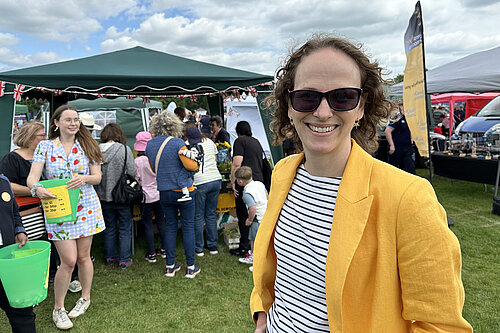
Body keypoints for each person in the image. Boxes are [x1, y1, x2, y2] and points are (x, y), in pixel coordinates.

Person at [250, 35, 472, 332]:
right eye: (307, 96)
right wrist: (262, 312)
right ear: (289, 105)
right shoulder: (283, 173)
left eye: (342, 96)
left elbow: (441, 326)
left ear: (361, 107)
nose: (323, 112)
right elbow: (278, 271)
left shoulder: (408, 197)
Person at [27, 104, 105, 330]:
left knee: (84, 257)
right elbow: (32, 178)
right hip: (58, 207)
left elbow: (97, 177)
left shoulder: (88, 145)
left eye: (76, 120)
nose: (73, 123)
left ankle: (85, 297)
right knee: (68, 261)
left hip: (86, 208)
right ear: (57, 123)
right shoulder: (46, 146)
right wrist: (37, 189)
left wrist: (84, 178)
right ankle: (58, 309)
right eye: (68, 119)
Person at [145, 112, 201, 278]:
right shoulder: (177, 143)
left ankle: (170, 266)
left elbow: (154, 168)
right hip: (183, 191)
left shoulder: (149, 145)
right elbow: (190, 166)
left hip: (164, 191)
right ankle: (190, 267)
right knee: (188, 226)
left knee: (170, 227)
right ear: (174, 125)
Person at [94, 123, 136, 270]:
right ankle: (124, 259)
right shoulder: (124, 149)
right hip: (122, 195)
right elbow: (132, 171)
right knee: (125, 227)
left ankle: (110, 257)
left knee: (109, 226)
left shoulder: (96, 151)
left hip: (103, 195)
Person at [0, 175, 36, 333]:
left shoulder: (3, 181)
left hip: (8, 256)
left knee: (21, 308)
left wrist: (18, 230)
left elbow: (14, 212)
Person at [229, 121, 266, 257]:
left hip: (244, 181)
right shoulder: (256, 141)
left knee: (244, 215)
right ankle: (257, 246)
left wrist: (233, 181)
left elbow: (236, 163)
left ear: (238, 131)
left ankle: (244, 247)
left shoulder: (240, 141)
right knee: (258, 214)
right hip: (259, 180)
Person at [133, 131, 168, 263]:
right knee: (161, 221)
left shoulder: (137, 161)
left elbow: (136, 178)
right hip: (159, 193)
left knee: (147, 224)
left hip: (145, 196)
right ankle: (164, 249)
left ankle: (151, 253)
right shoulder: (157, 157)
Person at [193, 123, 222, 256]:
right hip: (215, 179)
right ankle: (212, 246)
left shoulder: (188, 144)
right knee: (210, 214)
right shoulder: (210, 141)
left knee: (198, 215)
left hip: (200, 181)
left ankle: (199, 248)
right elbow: (215, 160)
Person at [234, 166, 267, 272]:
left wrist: (249, 220)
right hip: (265, 216)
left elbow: (252, 208)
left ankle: (256, 262)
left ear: (240, 181)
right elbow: (267, 196)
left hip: (257, 219)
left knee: (254, 241)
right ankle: (254, 258)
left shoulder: (247, 193)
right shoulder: (259, 184)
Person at [385, 104, 415, 174]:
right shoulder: (397, 118)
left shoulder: (408, 118)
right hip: (397, 148)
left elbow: (411, 129)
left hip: (407, 147)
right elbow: (387, 131)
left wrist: (411, 138)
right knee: (394, 169)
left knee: (410, 168)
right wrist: (392, 145)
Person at [178, 127, 204, 202]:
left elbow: (193, 155)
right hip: (198, 167)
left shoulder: (194, 147)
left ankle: (185, 194)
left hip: (193, 167)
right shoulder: (200, 147)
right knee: (190, 176)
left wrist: (183, 152)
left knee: (181, 179)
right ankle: (193, 185)